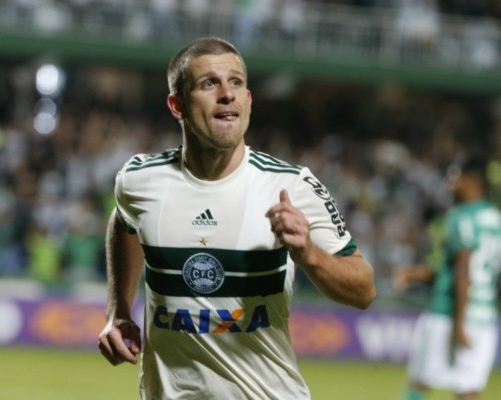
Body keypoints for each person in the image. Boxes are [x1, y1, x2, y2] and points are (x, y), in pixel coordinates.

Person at [97, 36, 376, 399]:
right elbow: (124, 222)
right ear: (177, 105)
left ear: (248, 100)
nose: (227, 94)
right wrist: (118, 310)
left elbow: (364, 289)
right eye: (208, 83)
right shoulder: (140, 180)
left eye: (236, 82)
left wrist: (309, 253)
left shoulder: (291, 185)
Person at [394, 157, 501, 400]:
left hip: (449, 313)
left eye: (456, 177)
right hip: (485, 317)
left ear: (471, 181)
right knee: (468, 391)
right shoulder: (496, 218)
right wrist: (413, 274)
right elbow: (454, 269)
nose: (450, 183)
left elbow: (463, 267)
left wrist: (460, 323)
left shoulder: (460, 216)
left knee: (420, 382)